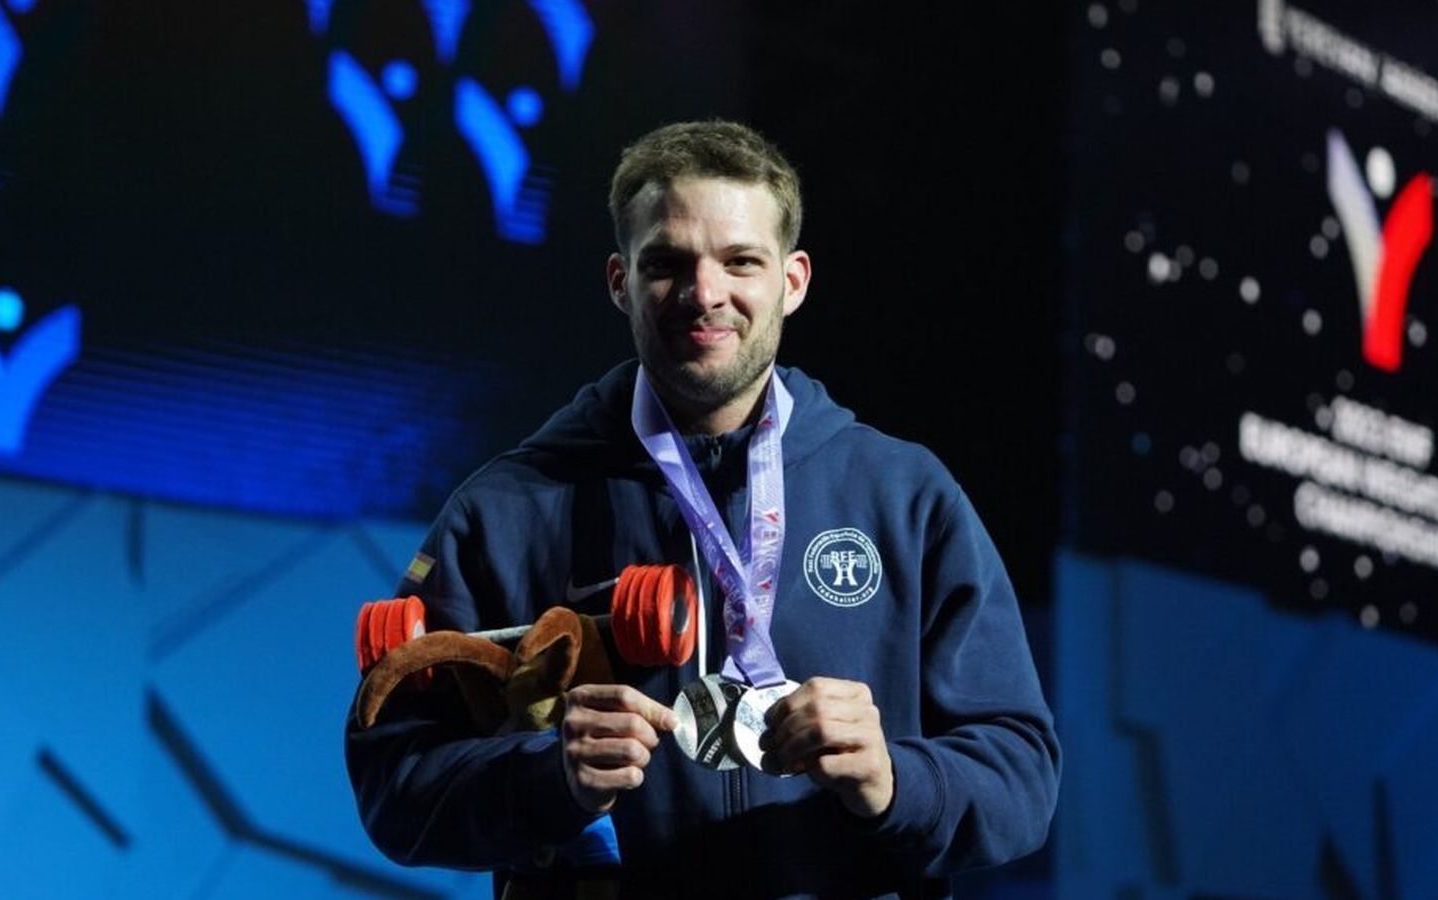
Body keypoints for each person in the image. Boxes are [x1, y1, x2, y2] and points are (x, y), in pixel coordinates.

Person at [346, 120, 1059, 898]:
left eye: (740, 261)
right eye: (668, 264)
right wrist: (550, 776)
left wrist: (895, 778)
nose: (703, 293)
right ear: (620, 281)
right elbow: (394, 787)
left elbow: (1021, 776)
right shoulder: (509, 509)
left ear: (793, 280)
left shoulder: (904, 495)